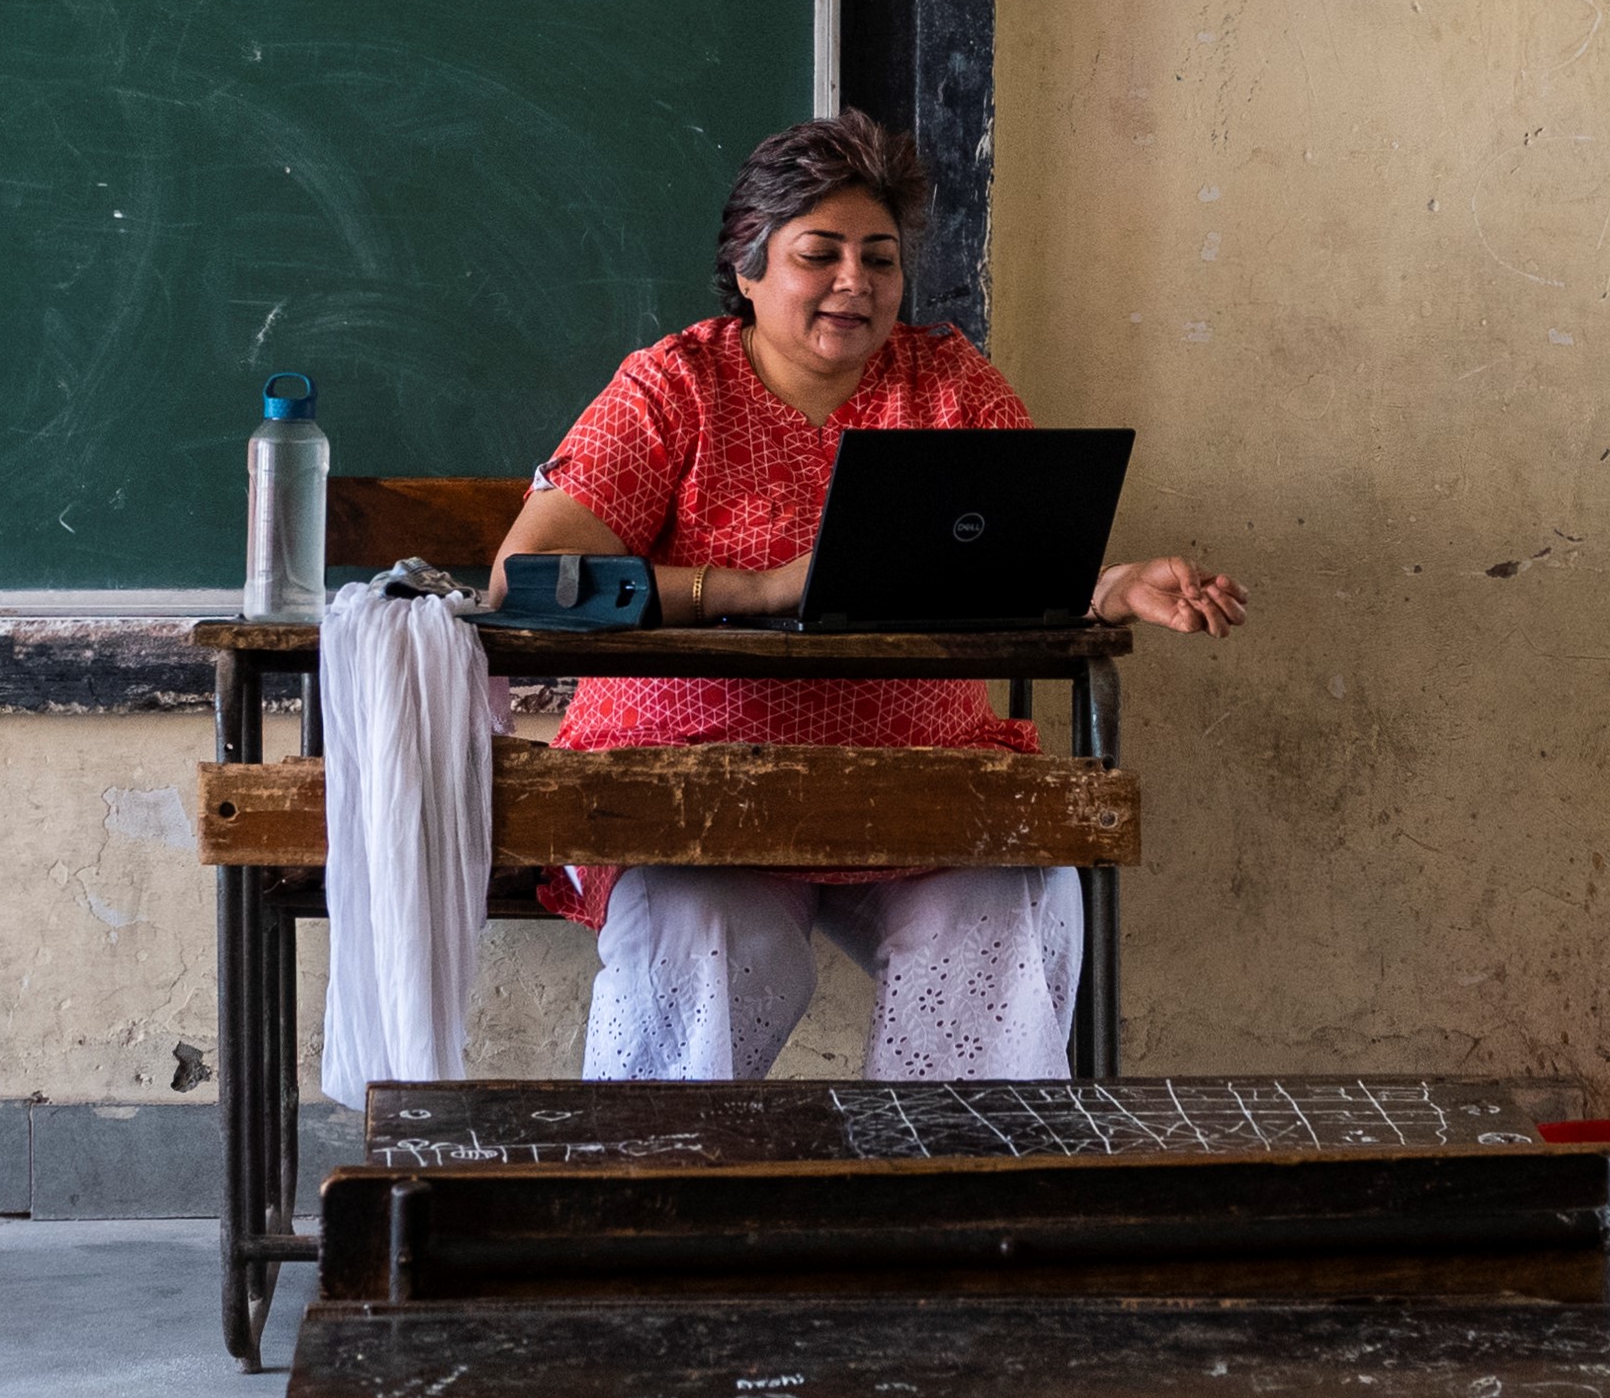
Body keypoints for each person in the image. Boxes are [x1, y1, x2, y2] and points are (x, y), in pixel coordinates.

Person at [499, 112, 1248, 1082]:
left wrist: (1112, 587)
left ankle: (948, 1212)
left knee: (1011, 901)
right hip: (698, 789)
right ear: (748, 267)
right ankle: (666, 1215)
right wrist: (760, 589)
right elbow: (528, 583)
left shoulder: (947, 382)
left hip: (920, 785)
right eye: (820, 254)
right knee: (699, 935)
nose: (855, 280)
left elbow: (1023, 571)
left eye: (879, 258)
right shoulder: (671, 388)